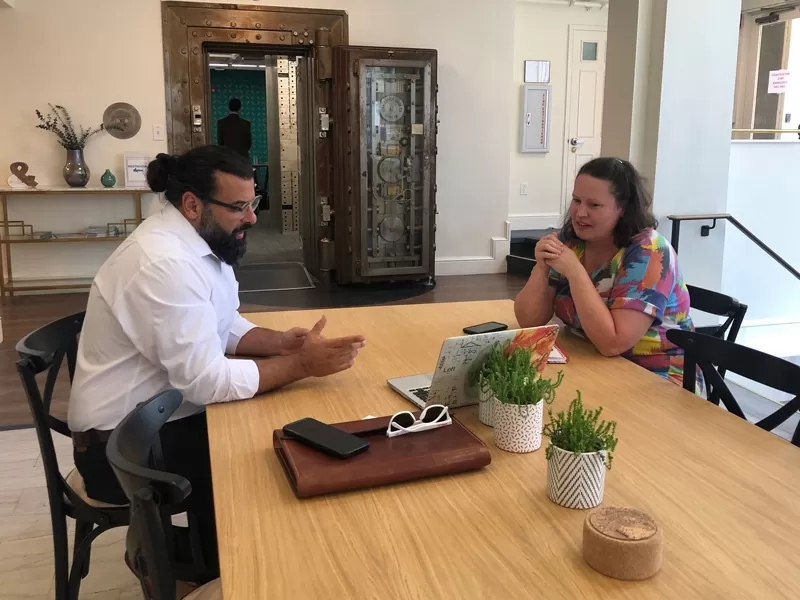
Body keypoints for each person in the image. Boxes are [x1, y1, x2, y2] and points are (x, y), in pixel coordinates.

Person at [67, 145, 366, 580]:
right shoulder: (162, 263)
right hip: (121, 449)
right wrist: (303, 366)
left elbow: (223, 323)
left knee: (274, 437)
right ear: (192, 204)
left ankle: (211, 555)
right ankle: (199, 563)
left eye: (253, 203)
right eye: (240, 207)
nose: (251, 218)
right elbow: (206, 382)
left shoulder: (200, 242)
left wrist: (282, 342)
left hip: (159, 415)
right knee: (259, 465)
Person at [514, 157, 699, 389]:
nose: (580, 213)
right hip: (590, 359)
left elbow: (612, 343)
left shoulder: (649, 252)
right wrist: (541, 267)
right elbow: (529, 320)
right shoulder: (572, 240)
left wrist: (575, 272)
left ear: (622, 209)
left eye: (594, 205)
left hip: (656, 378)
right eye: (576, 200)